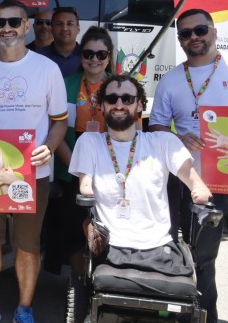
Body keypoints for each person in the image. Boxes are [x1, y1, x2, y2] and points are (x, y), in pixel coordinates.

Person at [149, 8, 228, 323]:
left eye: (199, 30)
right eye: (185, 34)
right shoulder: (172, 80)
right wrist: (179, 137)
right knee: (201, 267)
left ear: (213, 32)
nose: (193, 38)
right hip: (200, 188)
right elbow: (157, 129)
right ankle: (207, 319)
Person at [0, 0, 68, 323]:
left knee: (27, 245)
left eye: (13, 22)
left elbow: (60, 121)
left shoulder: (47, 69)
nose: (6, 28)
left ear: (27, 26)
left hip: (33, 172)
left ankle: (24, 309)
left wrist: (49, 148)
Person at [70, 74, 212, 275]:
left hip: (158, 245)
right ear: (102, 106)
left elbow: (194, 181)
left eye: (127, 99)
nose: (119, 104)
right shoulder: (89, 142)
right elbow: (85, 186)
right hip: (112, 245)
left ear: (139, 106)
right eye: (111, 99)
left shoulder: (163, 141)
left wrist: (198, 189)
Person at [46, 26, 114, 276]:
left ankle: (101, 278)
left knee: (104, 230)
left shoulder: (119, 87)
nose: (94, 59)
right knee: (73, 230)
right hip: (71, 167)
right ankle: (78, 283)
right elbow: (57, 128)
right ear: (80, 55)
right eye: (88, 53)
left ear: (109, 56)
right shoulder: (66, 84)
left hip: (109, 170)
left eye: (101, 54)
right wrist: (79, 169)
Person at [39, 6, 82, 77]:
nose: (64, 28)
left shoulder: (87, 56)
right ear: (52, 28)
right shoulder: (39, 55)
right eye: (59, 24)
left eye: (69, 24)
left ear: (78, 29)